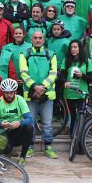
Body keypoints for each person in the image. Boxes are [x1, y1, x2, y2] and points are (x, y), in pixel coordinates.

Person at [20, 29, 59, 158]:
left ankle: (48, 147)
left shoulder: (51, 54)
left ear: (43, 39)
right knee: (30, 123)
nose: (37, 40)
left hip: (47, 95)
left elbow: (53, 73)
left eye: (40, 38)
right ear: (31, 39)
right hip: (30, 95)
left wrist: (43, 87)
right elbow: (23, 73)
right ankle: (29, 147)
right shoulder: (24, 54)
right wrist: (35, 87)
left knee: (47, 123)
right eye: (35, 38)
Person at [0, 78, 35, 164]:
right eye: (7, 93)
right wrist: (1, 123)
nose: (9, 95)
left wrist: (19, 123)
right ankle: (6, 151)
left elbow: (30, 119)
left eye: (11, 93)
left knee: (29, 127)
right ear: (3, 92)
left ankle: (22, 157)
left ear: (15, 91)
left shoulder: (20, 99)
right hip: (4, 131)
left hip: (17, 131)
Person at [60, 39, 92, 131]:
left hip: (82, 93)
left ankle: (80, 134)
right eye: (71, 48)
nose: (73, 49)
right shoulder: (66, 60)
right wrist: (65, 82)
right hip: (69, 93)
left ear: (80, 49)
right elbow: (62, 75)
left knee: (81, 115)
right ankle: (72, 134)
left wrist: (82, 75)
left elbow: (91, 78)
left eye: (75, 47)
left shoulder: (87, 61)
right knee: (72, 115)